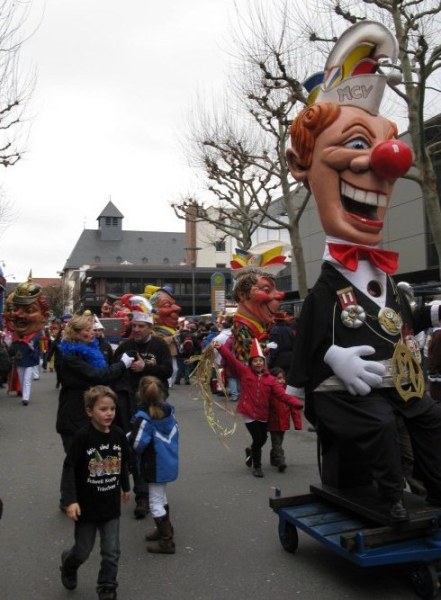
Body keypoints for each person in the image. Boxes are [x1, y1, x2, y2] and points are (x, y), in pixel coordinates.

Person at [285, 20, 441, 521]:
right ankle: (389, 499)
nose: (388, 162)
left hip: (396, 382)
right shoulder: (326, 286)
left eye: (382, 147)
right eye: (356, 145)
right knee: (375, 423)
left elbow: (404, 325)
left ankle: (436, 490)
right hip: (340, 392)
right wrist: (334, 358)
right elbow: (309, 334)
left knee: (431, 417)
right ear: (305, 168)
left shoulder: (388, 279)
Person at [59, 385, 130, 600]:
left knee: (111, 552)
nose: (109, 413)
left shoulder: (118, 435)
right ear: (89, 411)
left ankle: (107, 586)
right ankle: (69, 565)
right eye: (103, 409)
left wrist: (125, 486)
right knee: (83, 551)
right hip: (87, 507)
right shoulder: (82, 437)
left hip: (110, 506)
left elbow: (121, 462)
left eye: (112, 409)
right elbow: (69, 467)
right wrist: (70, 500)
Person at [113, 310, 173, 519]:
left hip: (156, 404)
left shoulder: (159, 345)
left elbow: (167, 370)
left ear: (150, 328)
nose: (136, 330)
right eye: (134, 326)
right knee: (136, 448)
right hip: (131, 404)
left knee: (155, 448)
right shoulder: (125, 346)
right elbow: (114, 370)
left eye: (141, 326)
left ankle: (157, 494)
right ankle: (142, 496)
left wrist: (146, 365)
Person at [213, 338, 302, 478]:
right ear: (251, 363)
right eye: (255, 361)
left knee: (262, 439)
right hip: (248, 413)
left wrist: (295, 403)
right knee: (258, 438)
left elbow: (281, 395)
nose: (258, 363)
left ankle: (251, 451)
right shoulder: (244, 372)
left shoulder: (270, 380)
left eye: (260, 360)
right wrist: (220, 348)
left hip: (263, 413)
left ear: (264, 363)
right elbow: (231, 360)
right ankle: (257, 467)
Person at [56, 314, 134, 456]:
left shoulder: (92, 349)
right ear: (75, 333)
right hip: (74, 415)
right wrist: (122, 364)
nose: (92, 332)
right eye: (87, 329)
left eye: (92, 329)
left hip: (89, 413)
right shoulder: (69, 355)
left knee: (93, 462)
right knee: (78, 463)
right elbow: (98, 375)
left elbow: (103, 372)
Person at [128, 376, 179, 554]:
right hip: (167, 462)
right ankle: (165, 529)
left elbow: (137, 444)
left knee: (155, 501)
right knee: (161, 496)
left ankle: (167, 541)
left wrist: (128, 437)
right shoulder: (170, 413)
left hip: (153, 464)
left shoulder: (143, 418)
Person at [6, 276, 50, 405]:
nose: (17, 314)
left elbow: (42, 349)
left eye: (28, 310)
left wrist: (40, 354)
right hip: (20, 361)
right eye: (16, 309)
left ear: (44, 316)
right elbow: (11, 350)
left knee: (26, 379)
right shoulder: (15, 335)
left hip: (30, 360)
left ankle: (26, 398)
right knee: (21, 377)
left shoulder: (37, 335)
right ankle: (23, 394)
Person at [144, 284, 182, 387]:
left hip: (171, 352)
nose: (177, 308)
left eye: (173, 304)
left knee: (175, 368)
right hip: (164, 352)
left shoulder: (172, 329)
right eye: (166, 305)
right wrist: (171, 338)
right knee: (170, 367)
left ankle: (170, 382)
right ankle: (167, 382)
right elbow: (160, 341)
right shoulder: (155, 331)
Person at [267, 367, 302, 472]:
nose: (281, 381)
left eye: (282, 378)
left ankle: (273, 456)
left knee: (279, 441)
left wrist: (297, 424)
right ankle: (281, 461)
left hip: (283, 422)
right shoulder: (269, 392)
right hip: (272, 422)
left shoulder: (288, 393)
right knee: (276, 442)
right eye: (278, 378)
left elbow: (294, 409)